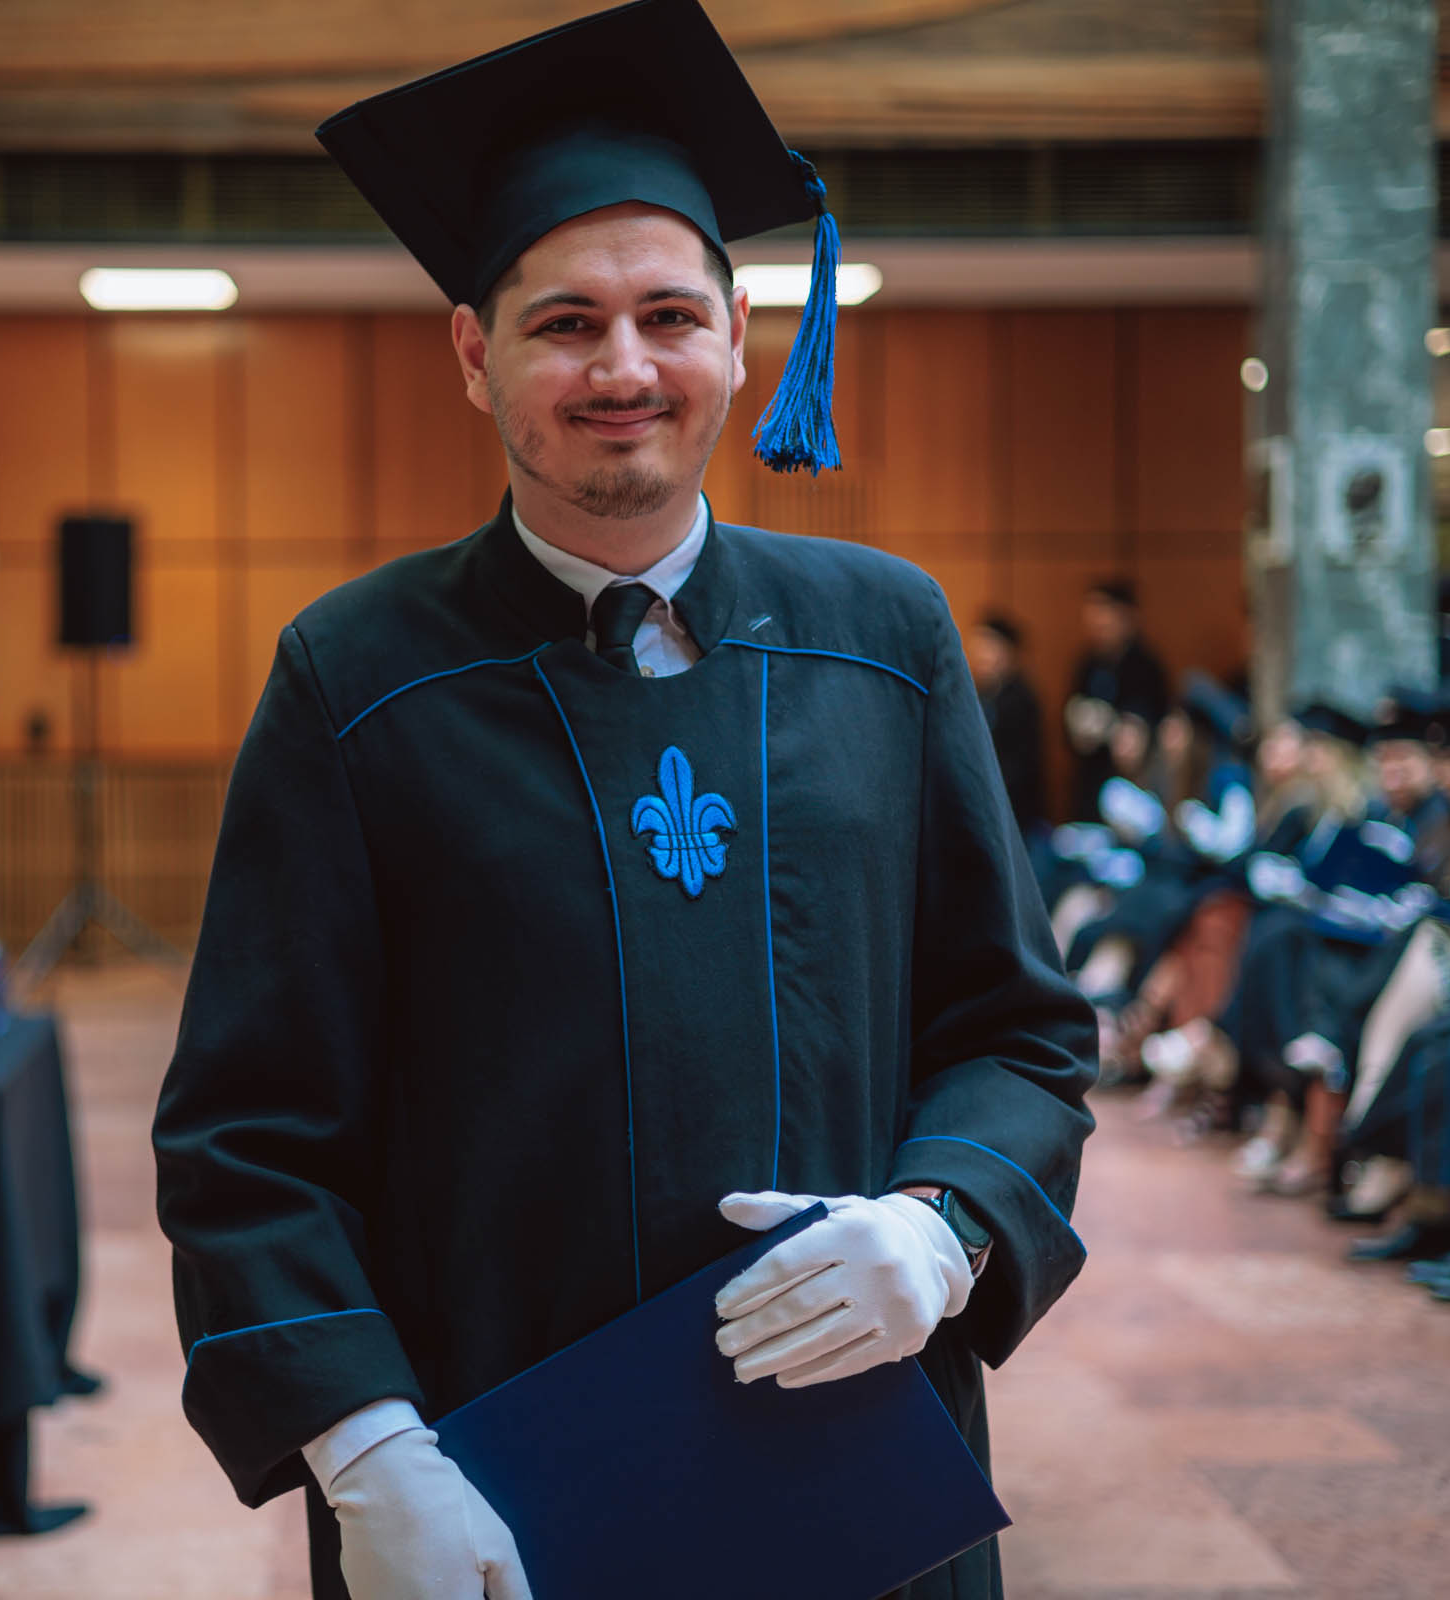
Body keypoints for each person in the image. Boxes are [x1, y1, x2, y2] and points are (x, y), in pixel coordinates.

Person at [152, 8, 1095, 1599]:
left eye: (668, 316)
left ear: (740, 334)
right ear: (475, 354)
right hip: (491, 1486)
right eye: (565, 323)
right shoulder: (357, 677)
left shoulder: (886, 640)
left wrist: (945, 1226)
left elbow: (1017, 1029)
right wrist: (366, 1452)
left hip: (854, 1463)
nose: (625, 368)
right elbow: (249, 1136)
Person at [1063, 578, 1168, 822]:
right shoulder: (1087, 664)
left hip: (1135, 782)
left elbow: (1155, 719)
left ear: (1126, 617)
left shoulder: (1146, 665)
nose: (1098, 624)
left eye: (1105, 616)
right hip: (1091, 779)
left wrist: (1128, 729)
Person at [968, 611, 1045, 835]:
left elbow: (1020, 764)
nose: (983, 655)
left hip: (1015, 811)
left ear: (1008, 651)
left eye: (990, 647)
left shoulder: (1022, 699)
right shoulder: (979, 694)